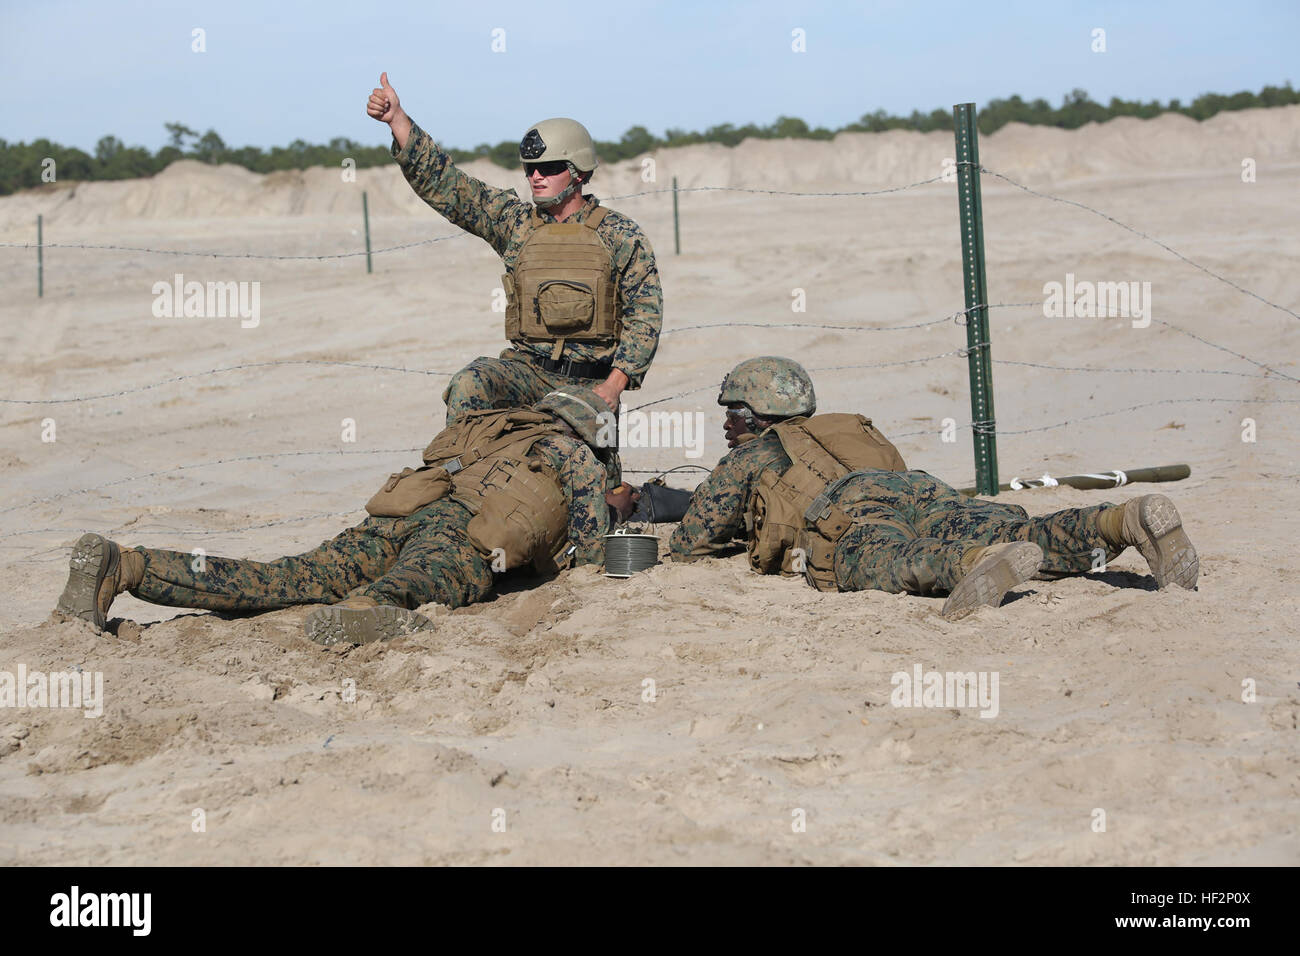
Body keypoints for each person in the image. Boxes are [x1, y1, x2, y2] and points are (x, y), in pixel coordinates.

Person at [54, 388, 638, 645]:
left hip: (398, 517)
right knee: (414, 585)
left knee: (285, 577)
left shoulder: (491, 427)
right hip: (462, 537)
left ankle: (127, 565)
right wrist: (622, 514)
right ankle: (365, 610)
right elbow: (589, 562)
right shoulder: (576, 458)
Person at [668, 357, 1199, 618]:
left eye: (734, 412)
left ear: (760, 415)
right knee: (1025, 526)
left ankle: (974, 562)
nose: (727, 425)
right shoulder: (849, 424)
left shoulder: (752, 455)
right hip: (922, 490)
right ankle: (1119, 519)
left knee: (880, 559)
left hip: (851, 510)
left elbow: (691, 544)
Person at [367, 73, 663, 423]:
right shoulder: (515, 223)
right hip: (525, 374)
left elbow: (645, 316)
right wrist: (398, 120)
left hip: (589, 384)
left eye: (550, 168)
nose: (536, 177)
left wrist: (614, 386)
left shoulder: (620, 234)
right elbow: (451, 188)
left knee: (563, 462)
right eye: (530, 168)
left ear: (579, 172)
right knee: (470, 384)